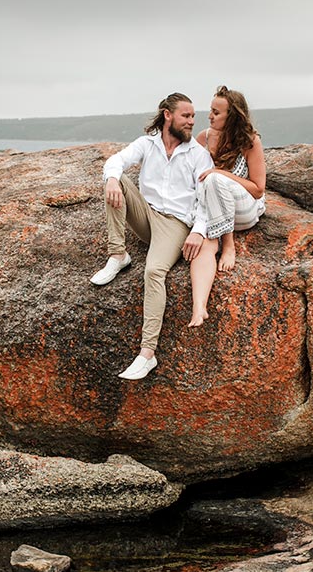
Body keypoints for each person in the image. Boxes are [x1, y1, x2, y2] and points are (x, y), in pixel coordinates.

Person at [89, 92, 214, 380]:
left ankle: (148, 354)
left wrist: (197, 231)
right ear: (167, 115)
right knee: (117, 178)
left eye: (193, 117)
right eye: (186, 116)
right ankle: (118, 254)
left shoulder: (198, 154)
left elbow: (207, 199)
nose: (191, 122)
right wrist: (111, 179)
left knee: (154, 271)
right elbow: (116, 161)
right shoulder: (148, 144)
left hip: (175, 224)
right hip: (146, 215)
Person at [188, 86, 266, 327]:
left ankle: (229, 246)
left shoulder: (250, 141)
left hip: (244, 208)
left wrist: (221, 173)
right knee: (205, 245)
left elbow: (257, 188)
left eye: (216, 112)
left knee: (213, 179)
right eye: (210, 111)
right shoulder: (203, 138)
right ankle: (199, 308)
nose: (209, 116)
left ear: (232, 116)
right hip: (214, 207)